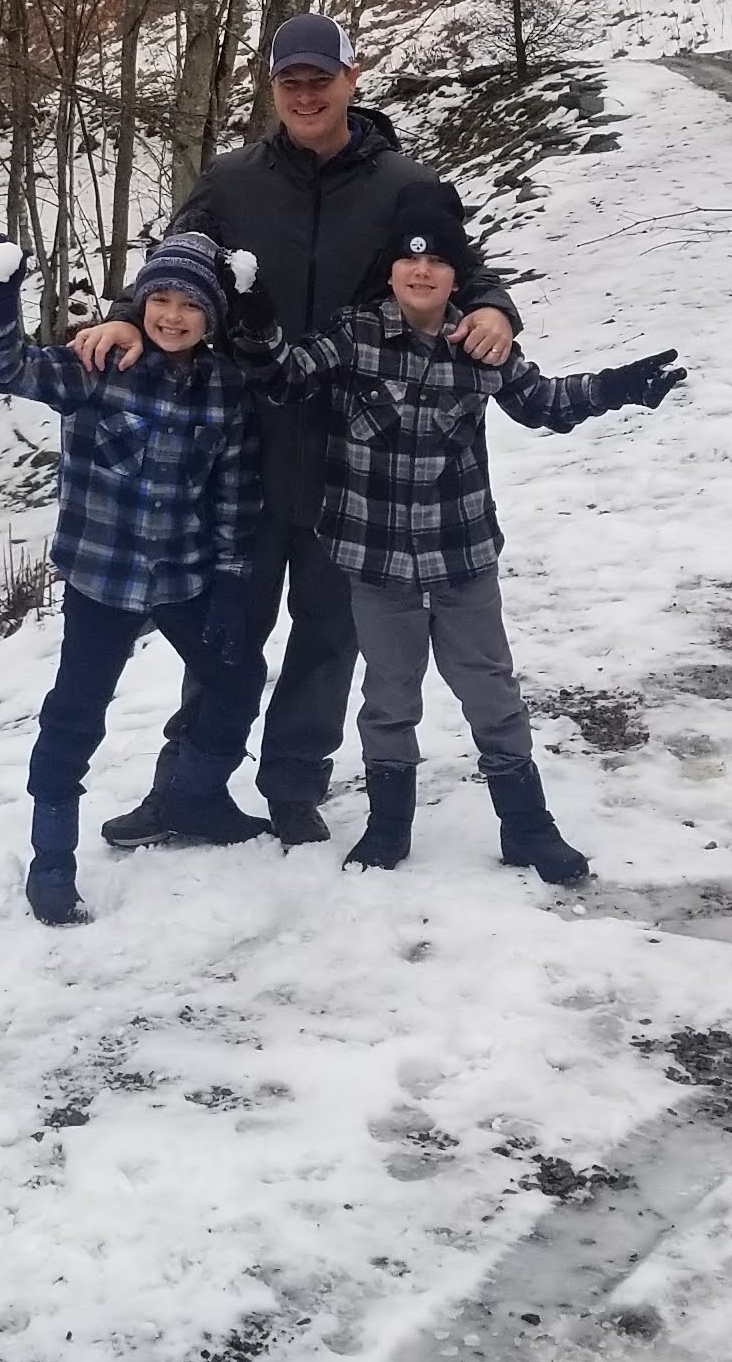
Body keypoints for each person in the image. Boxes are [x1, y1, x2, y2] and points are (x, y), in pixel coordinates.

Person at [70, 11, 521, 847]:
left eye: (321, 79)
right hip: (242, 441)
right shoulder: (232, 180)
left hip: (357, 448)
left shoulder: (403, 183)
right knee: (226, 625)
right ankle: (187, 786)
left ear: (354, 77)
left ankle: (291, 785)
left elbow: (458, 266)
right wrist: (130, 316)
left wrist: (493, 307)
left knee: (327, 630)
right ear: (273, 88)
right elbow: (176, 263)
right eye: (290, 82)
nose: (306, 95)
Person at [265, 186, 686, 878]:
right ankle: (387, 828)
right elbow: (286, 373)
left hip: (461, 558)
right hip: (376, 564)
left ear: (457, 276)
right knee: (388, 697)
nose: (421, 271)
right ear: (390, 270)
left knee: (491, 692)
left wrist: (616, 387)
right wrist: (255, 318)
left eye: (437, 262)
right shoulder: (355, 334)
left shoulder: (478, 342)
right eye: (408, 260)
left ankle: (527, 827)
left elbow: (544, 402)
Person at [0, 226, 276, 925]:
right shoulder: (98, 363)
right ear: (141, 302)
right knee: (75, 714)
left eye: (190, 305)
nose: (173, 316)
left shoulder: (224, 388)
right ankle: (52, 858)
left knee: (237, 681)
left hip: (184, 577)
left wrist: (232, 579)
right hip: (102, 578)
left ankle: (195, 796)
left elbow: (234, 490)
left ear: (211, 317)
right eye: (160, 300)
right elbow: (7, 369)